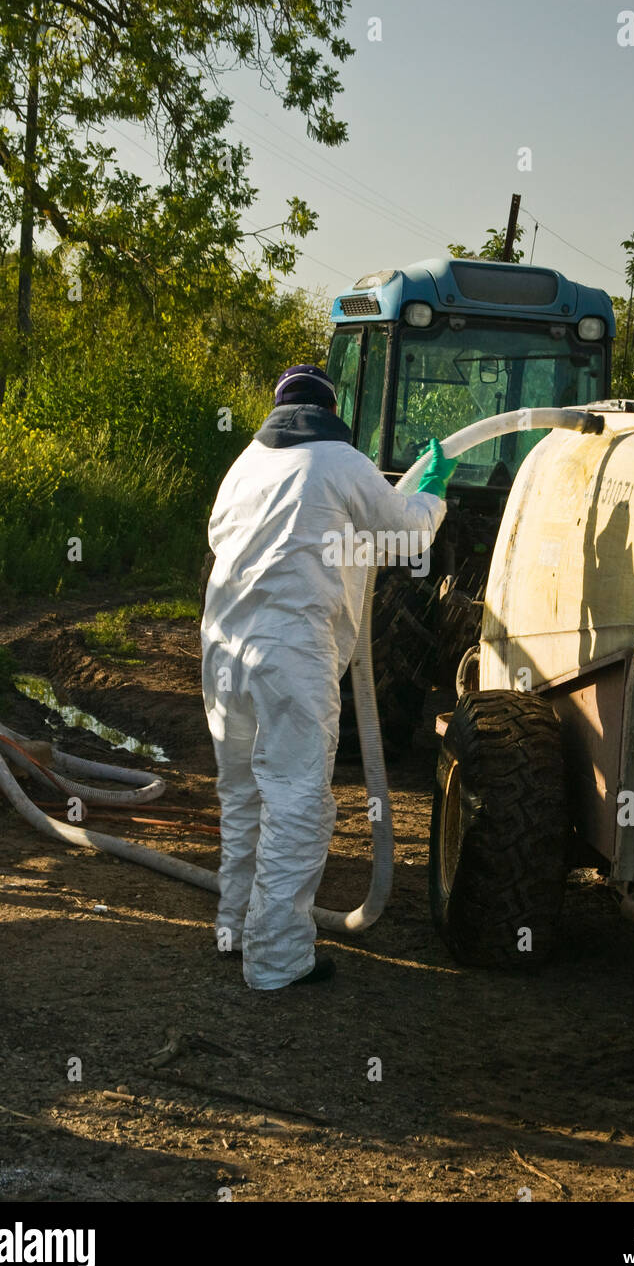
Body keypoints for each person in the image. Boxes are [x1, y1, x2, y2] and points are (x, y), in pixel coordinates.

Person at [201, 365, 457, 990]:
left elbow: (220, 536)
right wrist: (434, 495)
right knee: (297, 801)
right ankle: (278, 960)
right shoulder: (340, 458)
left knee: (243, 796)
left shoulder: (246, 464)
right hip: (290, 654)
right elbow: (404, 535)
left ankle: (234, 929)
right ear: (330, 408)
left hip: (223, 651)